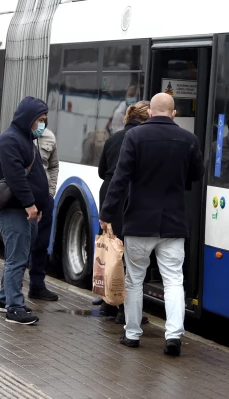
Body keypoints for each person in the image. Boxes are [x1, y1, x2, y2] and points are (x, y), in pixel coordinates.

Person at [99, 93, 204, 356]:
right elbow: (197, 174)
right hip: (173, 224)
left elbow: (120, 179)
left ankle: (132, 334)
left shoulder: (134, 137)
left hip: (139, 222)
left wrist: (108, 213)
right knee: (173, 281)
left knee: (135, 280)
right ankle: (174, 336)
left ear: (151, 112)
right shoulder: (188, 140)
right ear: (174, 113)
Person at [0, 96, 50, 325]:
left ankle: (4, 298)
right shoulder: (10, 141)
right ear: (30, 119)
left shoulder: (24, 139)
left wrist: (39, 206)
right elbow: (16, 178)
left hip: (25, 210)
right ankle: (14, 308)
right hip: (15, 209)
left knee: (17, 256)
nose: (43, 125)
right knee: (17, 258)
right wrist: (30, 204)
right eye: (41, 120)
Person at [96, 101, 150, 325]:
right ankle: (123, 311)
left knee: (112, 252)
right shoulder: (143, 140)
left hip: (108, 195)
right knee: (129, 256)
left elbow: (101, 171)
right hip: (129, 197)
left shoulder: (114, 138)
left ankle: (109, 304)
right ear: (146, 119)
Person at [27, 108, 59, 302]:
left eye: (44, 120)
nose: (42, 124)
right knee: (20, 248)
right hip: (22, 202)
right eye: (39, 119)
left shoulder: (49, 138)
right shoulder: (16, 138)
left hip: (44, 201)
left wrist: (50, 194)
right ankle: (9, 294)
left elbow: (54, 166)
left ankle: (37, 286)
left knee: (41, 244)